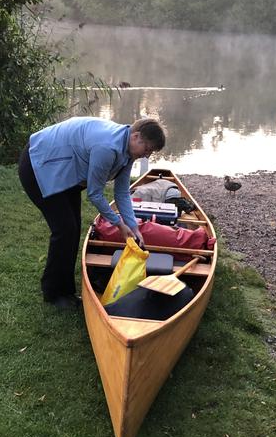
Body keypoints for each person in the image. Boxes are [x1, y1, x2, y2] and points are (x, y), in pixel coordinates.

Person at [18, 117, 166, 309]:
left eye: (151, 152)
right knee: (65, 230)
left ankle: (65, 290)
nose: (147, 155)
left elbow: (121, 192)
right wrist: (118, 224)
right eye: (147, 149)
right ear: (136, 136)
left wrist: (133, 227)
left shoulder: (127, 150)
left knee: (73, 228)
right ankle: (54, 293)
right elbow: (94, 194)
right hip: (38, 163)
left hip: (65, 171)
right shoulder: (108, 147)